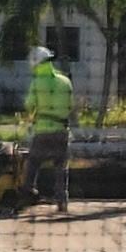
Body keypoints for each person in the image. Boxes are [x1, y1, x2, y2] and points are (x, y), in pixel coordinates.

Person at [24, 44, 76, 210]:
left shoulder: (37, 82)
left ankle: (27, 192)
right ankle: (62, 200)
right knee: (61, 166)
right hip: (62, 131)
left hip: (42, 131)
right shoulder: (65, 81)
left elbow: (29, 105)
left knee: (33, 163)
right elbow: (70, 106)